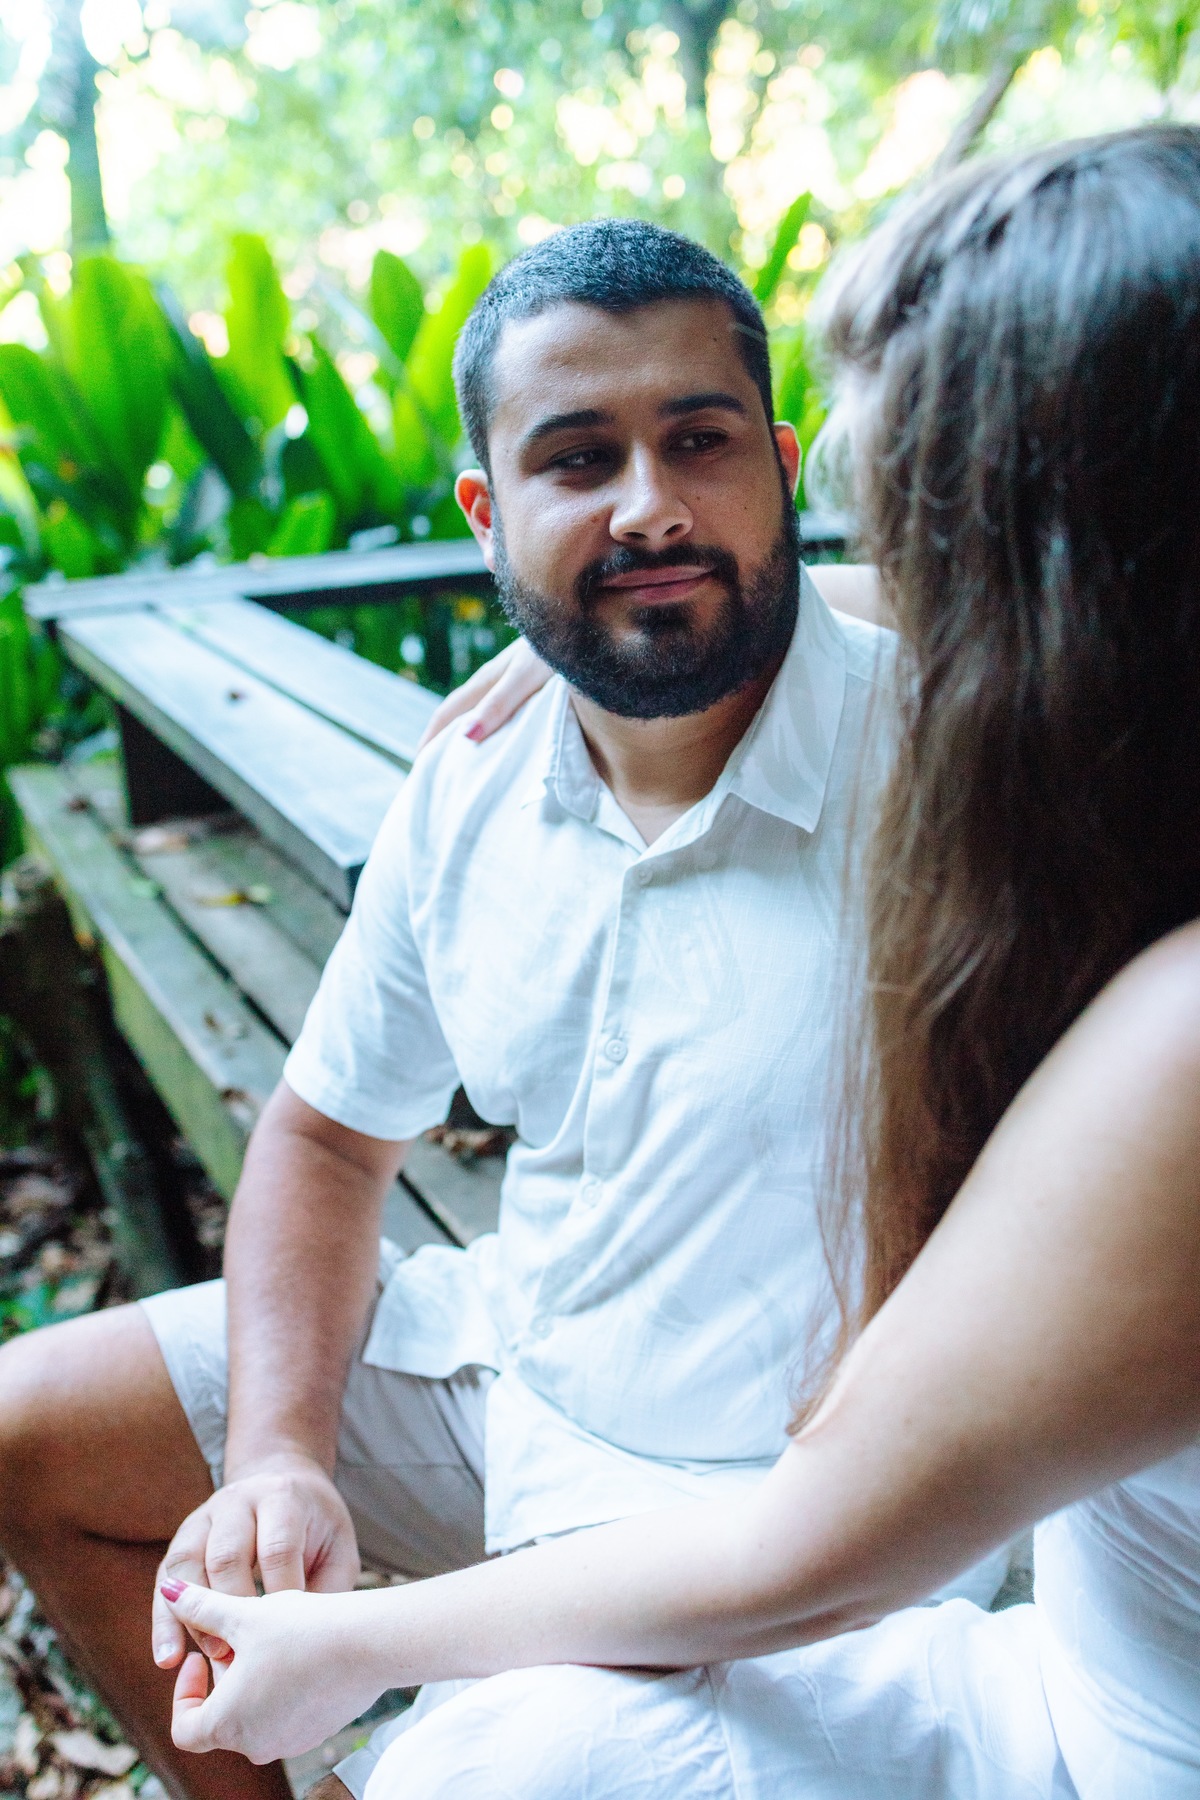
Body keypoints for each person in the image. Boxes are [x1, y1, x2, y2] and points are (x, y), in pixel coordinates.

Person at [150, 124, 1200, 1799]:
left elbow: (822, 1544)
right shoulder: (495, 775)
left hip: (996, 1661)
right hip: (608, 1409)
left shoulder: (1152, 1003)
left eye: (926, 514)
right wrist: (608, 618)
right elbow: (326, 1135)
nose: (898, 571)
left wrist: (360, 1653)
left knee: (474, 1769)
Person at [0, 218, 954, 1800]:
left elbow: (1133, 616)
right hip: (536, 1365)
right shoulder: (477, 782)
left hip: (806, 1505)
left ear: (785, 469)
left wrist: (814, 592)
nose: (651, 503)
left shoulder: (960, 754)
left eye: (700, 444)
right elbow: (318, 1136)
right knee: (33, 1425)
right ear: (487, 513)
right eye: (578, 461)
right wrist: (280, 1457)